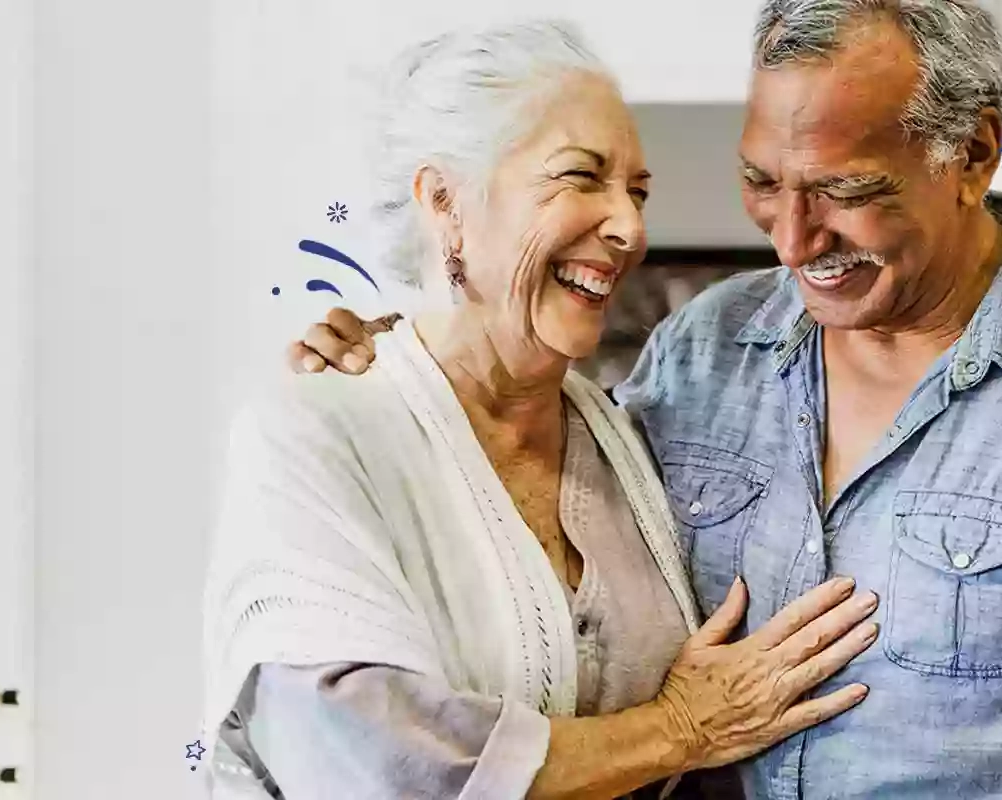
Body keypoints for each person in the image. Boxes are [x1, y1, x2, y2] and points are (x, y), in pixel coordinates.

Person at [290, 2, 1002, 798]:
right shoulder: (703, 349)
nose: (793, 240)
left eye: (846, 190)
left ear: (973, 155)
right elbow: (533, 517)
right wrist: (411, 362)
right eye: (763, 183)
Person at [201, 20, 883, 800]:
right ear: (445, 201)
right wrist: (678, 729)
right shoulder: (315, 432)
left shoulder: (630, 440)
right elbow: (371, 759)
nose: (630, 228)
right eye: (581, 177)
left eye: (637, 192)